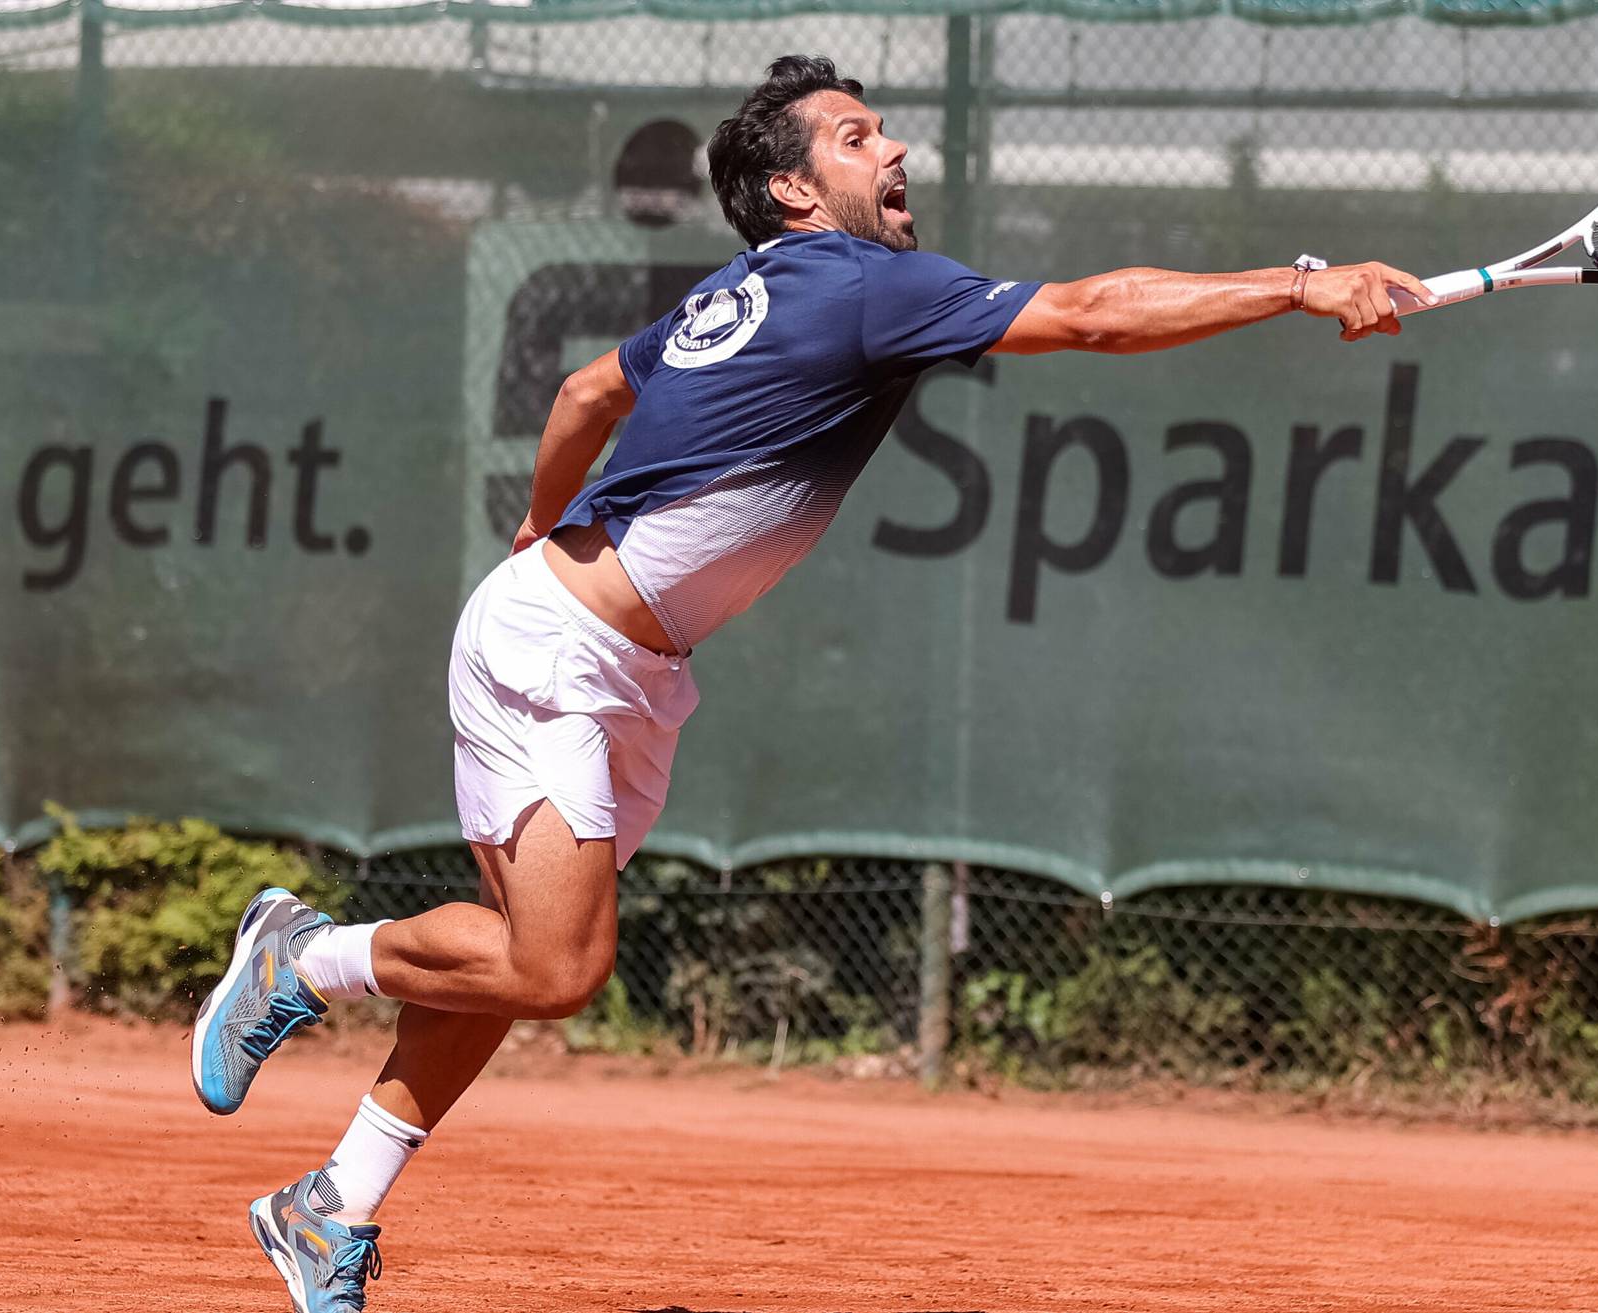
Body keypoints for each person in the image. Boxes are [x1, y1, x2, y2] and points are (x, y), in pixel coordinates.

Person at [189, 53, 1434, 1313]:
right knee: (555, 969)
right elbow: (1100, 310)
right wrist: (1299, 283)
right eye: (856, 137)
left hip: (616, 658)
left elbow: (584, 392)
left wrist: (537, 520)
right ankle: (307, 956)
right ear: (792, 188)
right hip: (559, 650)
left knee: (515, 960)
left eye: (884, 131)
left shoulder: (746, 289)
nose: (895, 154)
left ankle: (329, 1203)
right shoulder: (861, 287)